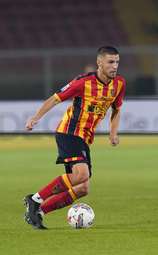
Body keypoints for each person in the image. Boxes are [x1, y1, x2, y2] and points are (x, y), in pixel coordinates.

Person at [23, 46, 125, 229]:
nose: (115, 66)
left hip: (85, 138)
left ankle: (38, 212)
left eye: (117, 62)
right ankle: (34, 199)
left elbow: (116, 110)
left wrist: (113, 133)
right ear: (99, 63)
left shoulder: (119, 84)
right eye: (110, 62)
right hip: (69, 132)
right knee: (81, 175)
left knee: (83, 188)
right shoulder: (82, 82)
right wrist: (36, 117)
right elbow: (55, 98)